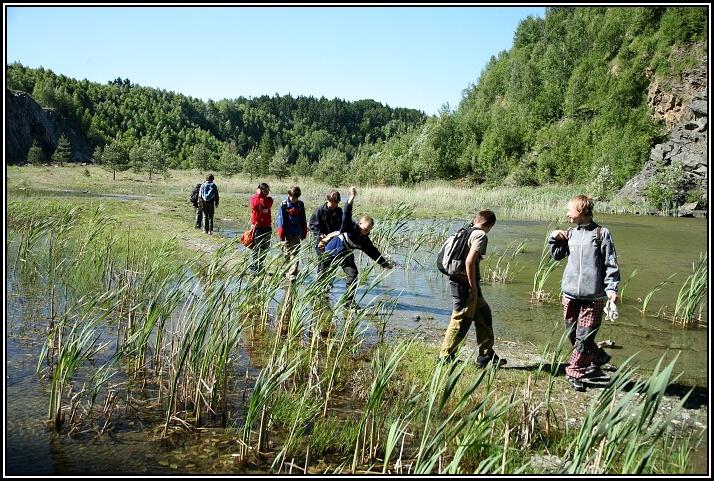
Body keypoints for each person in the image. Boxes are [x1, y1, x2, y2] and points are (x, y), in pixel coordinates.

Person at [549, 194, 620, 392]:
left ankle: (575, 372)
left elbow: (610, 263)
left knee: (584, 336)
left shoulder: (601, 234)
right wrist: (553, 238)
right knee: (572, 334)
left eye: (569, 210)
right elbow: (556, 256)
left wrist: (612, 289)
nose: (566, 213)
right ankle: (598, 356)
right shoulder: (570, 233)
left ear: (580, 211)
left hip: (594, 297)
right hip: (569, 294)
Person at [438, 209, 506, 368]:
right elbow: (469, 262)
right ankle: (445, 357)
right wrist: (473, 287)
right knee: (460, 319)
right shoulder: (480, 235)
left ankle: (486, 355)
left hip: (461, 282)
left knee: (484, 314)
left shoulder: (464, 231)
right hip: (465, 286)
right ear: (489, 224)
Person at [324, 186, 393, 306]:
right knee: (325, 275)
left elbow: (373, 252)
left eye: (367, 230)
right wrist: (351, 197)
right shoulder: (350, 226)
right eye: (363, 228)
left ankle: (348, 302)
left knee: (353, 273)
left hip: (345, 255)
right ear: (359, 223)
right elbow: (347, 212)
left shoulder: (364, 240)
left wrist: (385, 264)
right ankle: (321, 297)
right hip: (332, 250)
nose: (364, 231)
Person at [276, 186, 308, 280]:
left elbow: (303, 218)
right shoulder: (284, 204)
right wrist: (281, 234)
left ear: (298, 196)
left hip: (296, 232)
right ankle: (287, 270)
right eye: (290, 196)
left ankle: (292, 274)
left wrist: (304, 231)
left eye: (294, 197)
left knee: (295, 253)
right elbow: (280, 219)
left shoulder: (300, 204)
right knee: (286, 253)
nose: (292, 198)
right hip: (286, 233)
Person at [309, 189, 343, 276]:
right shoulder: (319, 211)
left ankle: (327, 283)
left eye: (336, 203)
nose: (335, 205)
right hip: (321, 241)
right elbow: (312, 225)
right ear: (328, 200)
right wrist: (319, 234)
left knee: (331, 263)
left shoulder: (339, 211)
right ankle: (320, 283)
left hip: (334, 242)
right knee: (322, 262)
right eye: (333, 203)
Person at [249, 182, 273, 272]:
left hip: (267, 227)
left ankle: (260, 266)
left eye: (268, 190)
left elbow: (266, 206)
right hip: (257, 227)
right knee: (256, 248)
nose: (267, 192)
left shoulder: (269, 200)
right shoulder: (254, 198)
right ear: (260, 190)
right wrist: (258, 195)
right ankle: (254, 267)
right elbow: (254, 206)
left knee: (265, 248)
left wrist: (261, 199)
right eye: (265, 190)